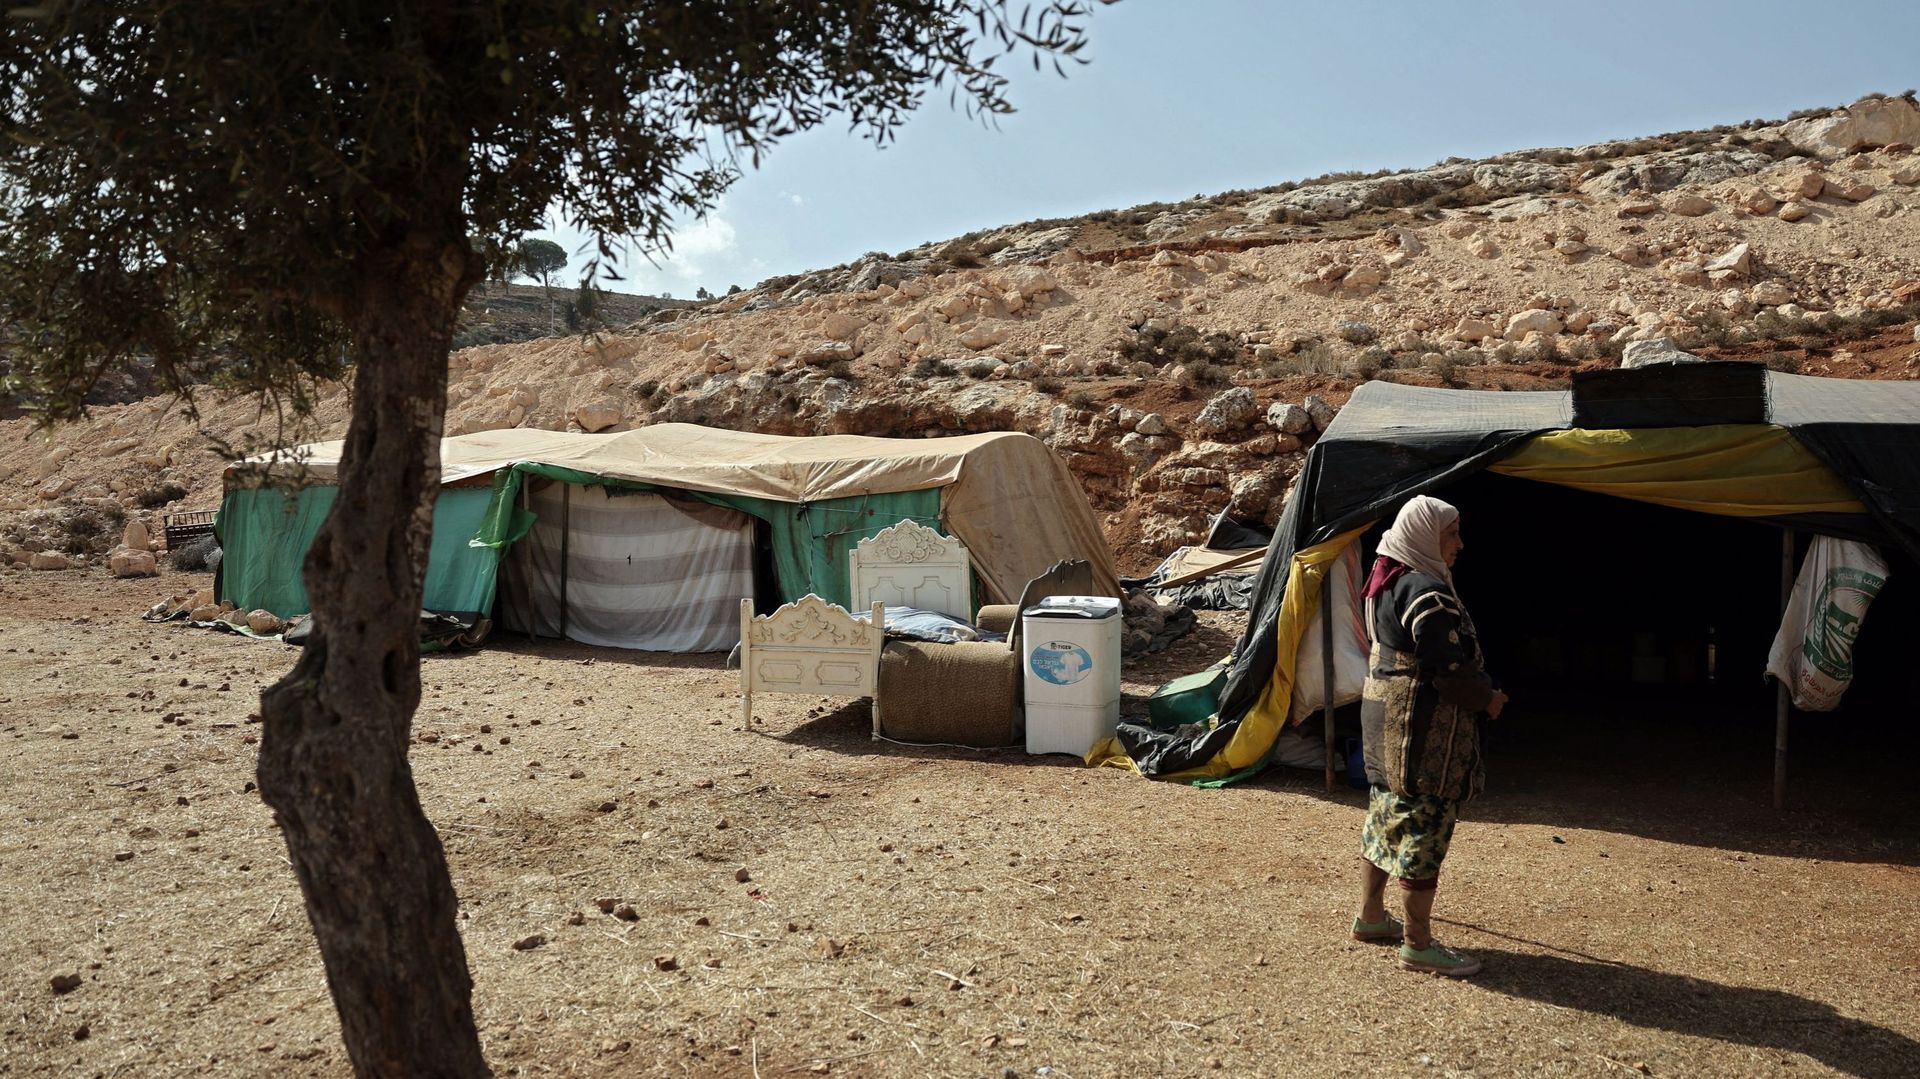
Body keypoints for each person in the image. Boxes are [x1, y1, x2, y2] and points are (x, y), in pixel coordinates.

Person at [1348, 495, 1508, 977]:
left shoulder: (1387, 578)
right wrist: (1489, 699)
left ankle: (1372, 916)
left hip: (1384, 725)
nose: (1460, 544)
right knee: (1423, 826)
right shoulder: (1426, 593)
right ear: (1425, 535)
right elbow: (1450, 671)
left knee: (1385, 816)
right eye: (1451, 533)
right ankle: (1418, 944)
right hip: (1420, 733)